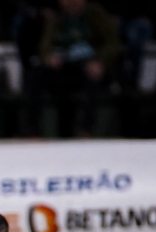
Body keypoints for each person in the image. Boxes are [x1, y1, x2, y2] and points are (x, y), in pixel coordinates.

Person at [38, 0, 120, 137]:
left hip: (91, 65)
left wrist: (100, 61)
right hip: (65, 67)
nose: (71, 3)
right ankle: (39, 131)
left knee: (91, 79)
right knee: (40, 76)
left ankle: (86, 130)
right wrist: (49, 57)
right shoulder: (57, 17)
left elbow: (113, 44)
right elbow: (44, 46)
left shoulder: (95, 14)